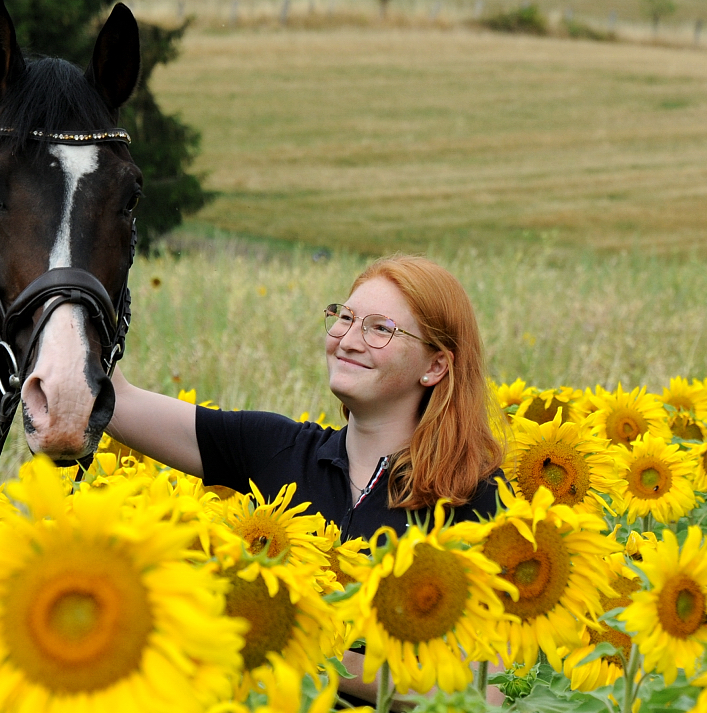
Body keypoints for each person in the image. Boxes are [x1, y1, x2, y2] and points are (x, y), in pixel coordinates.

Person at [106, 254, 508, 706]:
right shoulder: (276, 449)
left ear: (434, 366)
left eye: (380, 329)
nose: (349, 340)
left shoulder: (473, 497)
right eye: (345, 318)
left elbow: (487, 687)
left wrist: (294, 646)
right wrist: (81, 290)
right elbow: (116, 402)